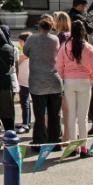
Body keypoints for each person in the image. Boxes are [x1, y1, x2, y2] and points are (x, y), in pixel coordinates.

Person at [56, 20, 93, 158]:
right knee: (83, 117)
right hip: (84, 81)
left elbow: (58, 66)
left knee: (71, 116)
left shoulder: (64, 46)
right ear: (83, 31)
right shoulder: (88, 47)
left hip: (69, 81)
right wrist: (91, 79)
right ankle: (83, 148)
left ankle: (72, 147)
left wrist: (65, 76)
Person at [25, 17, 62, 150]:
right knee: (55, 114)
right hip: (54, 79)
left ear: (39, 27)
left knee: (39, 115)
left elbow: (26, 52)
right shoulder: (55, 39)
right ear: (51, 27)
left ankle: (39, 142)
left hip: (37, 81)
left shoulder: (31, 38)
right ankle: (55, 142)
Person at [15, 31, 32, 133]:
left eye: (20, 41)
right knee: (27, 103)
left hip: (24, 81)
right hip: (28, 80)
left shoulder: (26, 53)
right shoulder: (32, 51)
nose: (19, 43)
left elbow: (17, 61)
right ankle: (27, 123)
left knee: (24, 102)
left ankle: (25, 124)